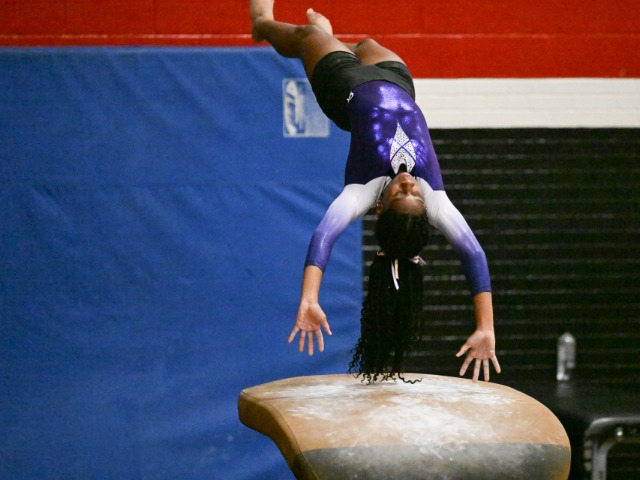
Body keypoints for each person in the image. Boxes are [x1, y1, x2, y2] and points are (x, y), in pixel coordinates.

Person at [250, 0, 501, 382]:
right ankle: (328, 37)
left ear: (380, 207)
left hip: (344, 88)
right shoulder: (436, 200)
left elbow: (324, 236)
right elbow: (473, 254)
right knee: (366, 42)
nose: (410, 184)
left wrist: (310, 297)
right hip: (398, 82)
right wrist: (485, 326)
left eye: (401, 194)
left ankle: (262, 24)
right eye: (415, 194)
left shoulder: (362, 191)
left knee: (306, 36)